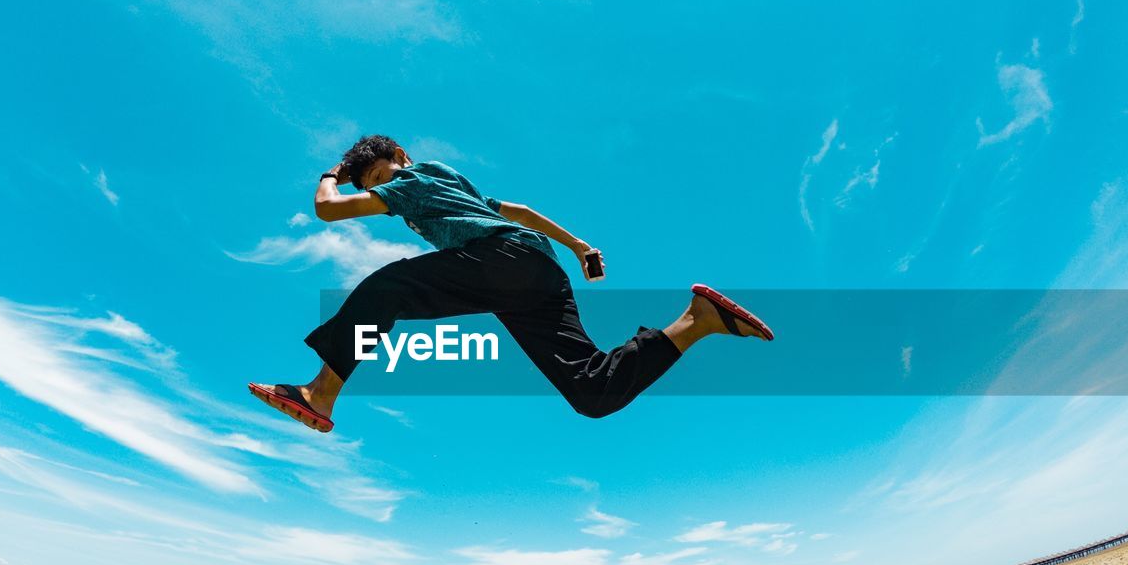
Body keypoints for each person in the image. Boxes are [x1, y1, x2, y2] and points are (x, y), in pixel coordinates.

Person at [249, 135, 773, 433]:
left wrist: (333, 173)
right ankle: (697, 321)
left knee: (385, 290)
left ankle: (322, 393)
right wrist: (579, 246)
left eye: (381, 178)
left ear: (399, 160)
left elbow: (326, 211)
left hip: (500, 261)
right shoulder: (454, 181)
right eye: (374, 188)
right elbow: (516, 210)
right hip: (536, 273)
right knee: (590, 392)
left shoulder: (411, 180)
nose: (382, 193)